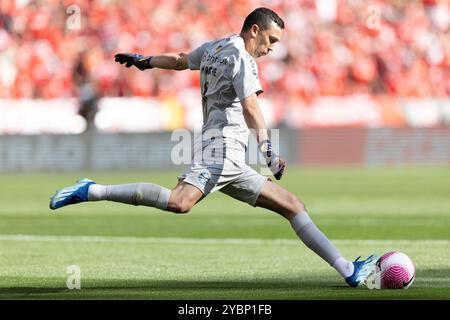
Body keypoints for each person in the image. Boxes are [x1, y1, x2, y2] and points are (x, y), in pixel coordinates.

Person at [50, 7, 378, 287]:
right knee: (180, 202)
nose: (272, 49)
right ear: (255, 30)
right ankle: (92, 190)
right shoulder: (242, 59)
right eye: (271, 40)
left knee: (292, 205)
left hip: (226, 153)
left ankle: (349, 271)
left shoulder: (216, 47)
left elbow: (180, 61)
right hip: (222, 150)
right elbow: (250, 107)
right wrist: (268, 152)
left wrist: (146, 61)